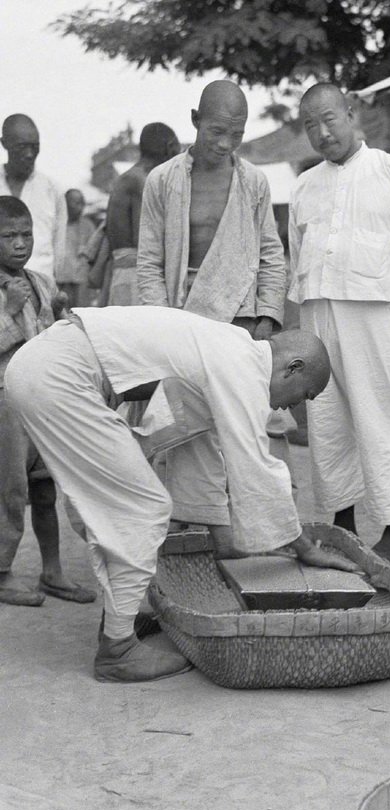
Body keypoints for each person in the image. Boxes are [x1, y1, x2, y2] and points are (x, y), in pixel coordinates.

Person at [5, 305, 356, 682]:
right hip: (57, 375)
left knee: (126, 505)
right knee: (142, 509)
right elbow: (257, 467)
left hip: (45, 367)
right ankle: (117, 651)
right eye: (306, 394)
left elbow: (195, 438)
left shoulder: (226, 351)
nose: (295, 406)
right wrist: (303, 548)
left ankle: (118, 623)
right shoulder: (242, 367)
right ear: (293, 367)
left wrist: (220, 533)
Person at [137, 81, 288, 545]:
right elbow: (148, 263)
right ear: (194, 120)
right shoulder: (162, 180)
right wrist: (159, 328)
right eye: (216, 131)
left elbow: (271, 256)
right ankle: (188, 527)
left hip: (238, 322)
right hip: (180, 321)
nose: (225, 145)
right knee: (181, 430)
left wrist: (266, 321)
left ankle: (244, 534)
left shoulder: (254, 182)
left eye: (236, 135)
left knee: (241, 432)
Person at [288, 83, 390, 566]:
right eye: (311, 124)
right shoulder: (304, 186)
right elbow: (294, 265)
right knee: (327, 421)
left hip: (373, 314)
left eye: (330, 119)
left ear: (351, 114)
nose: (323, 132)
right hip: (317, 314)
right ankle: (342, 526)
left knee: (379, 418)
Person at [0, 196, 95, 607]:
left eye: (26, 234)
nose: (20, 244)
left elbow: (57, 340)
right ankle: (2, 573)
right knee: (10, 491)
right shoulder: (11, 292)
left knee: (44, 489)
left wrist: (60, 316)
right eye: (8, 236)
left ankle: (52, 571)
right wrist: (9, 311)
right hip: (5, 404)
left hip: (41, 403)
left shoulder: (42, 282)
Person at [105, 123, 180, 305]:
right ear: (170, 148)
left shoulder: (129, 178)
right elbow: (145, 240)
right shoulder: (141, 181)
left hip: (127, 274)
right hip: (137, 277)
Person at [0, 115, 66, 280]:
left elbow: (59, 247)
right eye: (21, 146)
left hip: (40, 291)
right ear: (4, 143)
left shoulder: (52, 189)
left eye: (34, 147)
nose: (29, 154)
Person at [57, 189, 94, 307]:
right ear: (65, 203)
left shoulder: (88, 225)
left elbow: (94, 251)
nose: (80, 207)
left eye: (82, 203)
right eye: (76, 203)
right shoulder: (56, 224)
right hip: (60, 279)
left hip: (81, 280)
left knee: (80, 313)